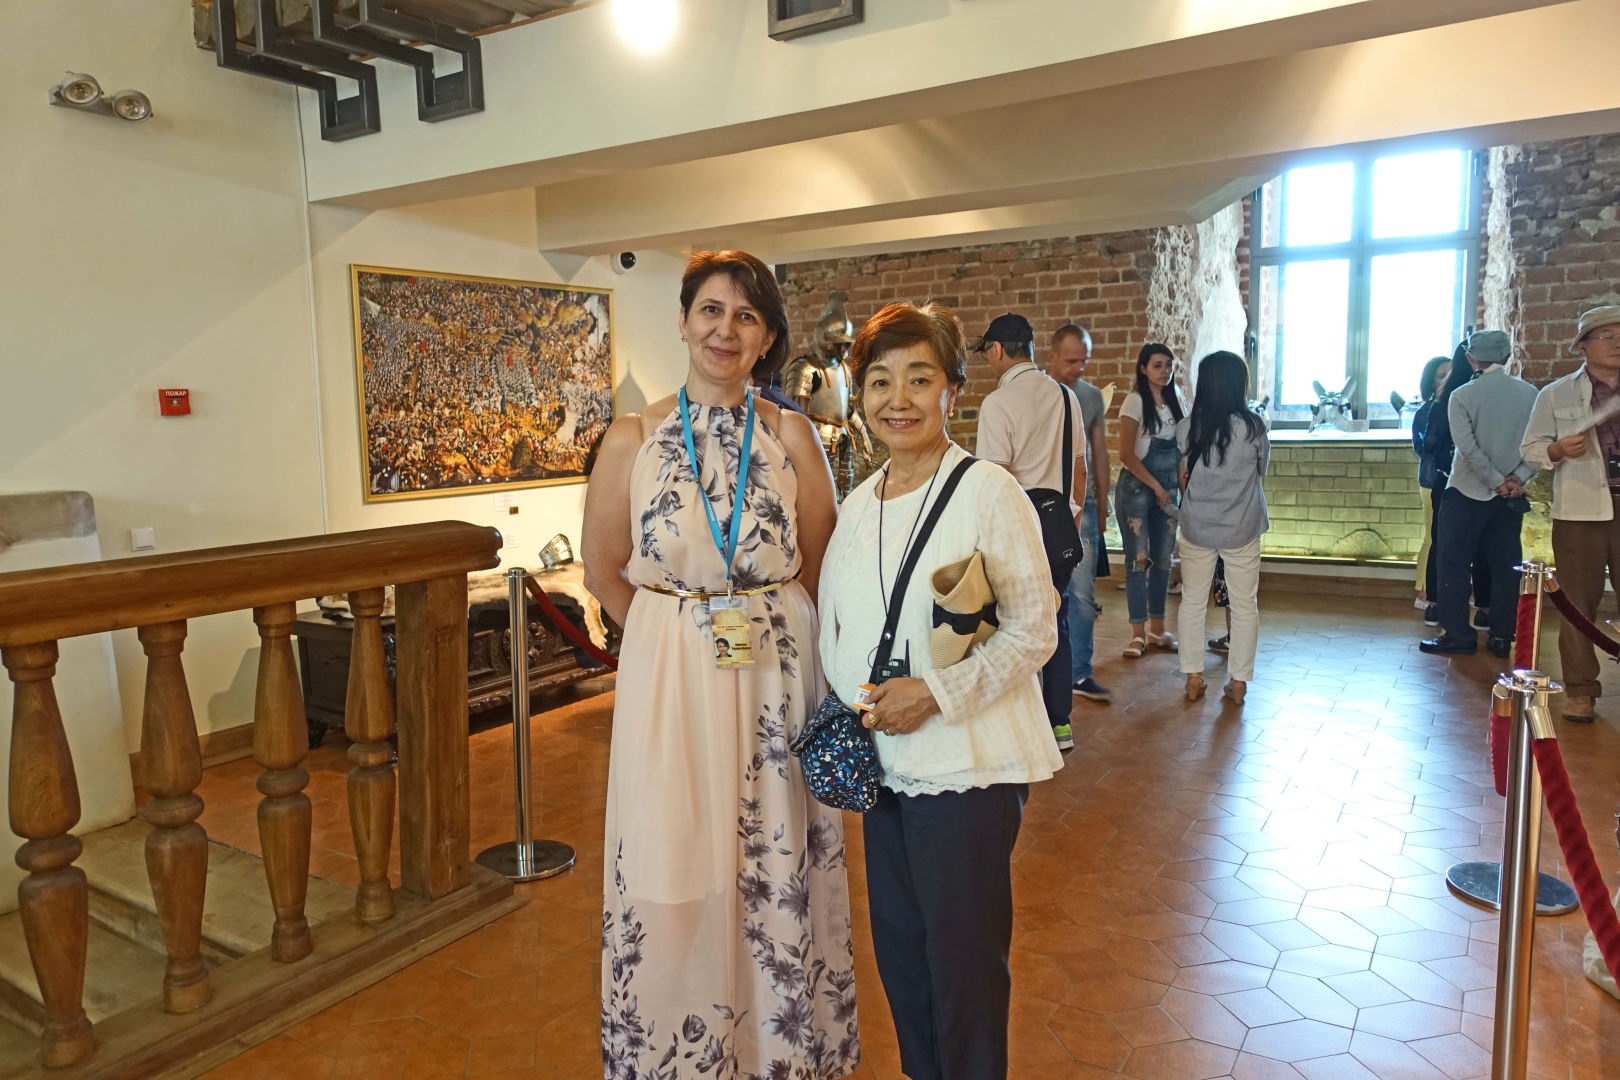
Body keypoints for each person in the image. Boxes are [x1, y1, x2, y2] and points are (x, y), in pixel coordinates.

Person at [581, 250, 859, 1075]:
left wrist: (775, 636)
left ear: (767, 337)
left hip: (775, 683)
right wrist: (671, 640)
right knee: (669, 858)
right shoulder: (632, 438)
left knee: (775, 858)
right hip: (669, 687)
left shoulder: (792, 434)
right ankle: (678, 1054)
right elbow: (602, 567)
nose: (724, 330)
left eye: (746, 316)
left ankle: (779, 1051)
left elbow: (822, 565)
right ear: (682, 320)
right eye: (710, 310)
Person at [819, 301, 1062, 1080]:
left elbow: (1035, 629)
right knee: (906, 963)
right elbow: (837, 628)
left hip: (967, 770)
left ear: (953, 390)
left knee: (964, 973)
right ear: (861, 397)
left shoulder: (988, 490)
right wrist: (858, 699)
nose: (899, 399)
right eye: (880, 381)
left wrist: (933, 693)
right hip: (886, 770)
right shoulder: (857, 506)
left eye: (919, 379)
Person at [973, 312, 1087, 751]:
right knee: (1055, 619)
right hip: (1059, 531)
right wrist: (1073, 521)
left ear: (998, 350)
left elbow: (995, 481)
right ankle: (1059, 724)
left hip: (1016, 531)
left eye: (987, 352)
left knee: (1010, 628)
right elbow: (1079, 469)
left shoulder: (998, 404)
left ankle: (1017, 725)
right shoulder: (1065, 397)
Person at [1520, 304, 1620, 722]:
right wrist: (1557, 450)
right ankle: (1580, 691)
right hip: (1580, 510)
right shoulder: (1556, 393)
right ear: (1583, 346)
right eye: (1607, 335)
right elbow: (1530, 449)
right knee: (1578, 603)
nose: (1617, 342)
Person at [1421, 330, 1538, 658]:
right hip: (1511, 494)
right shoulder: (1530, 394)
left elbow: (1467, 448)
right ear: (1508, 356)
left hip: (1466, 491)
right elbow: (1537, 445)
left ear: (1471, 358)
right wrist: (1516, 479)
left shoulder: (1462, 395)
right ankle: (1501, 634)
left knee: (1453, 563)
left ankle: (1458, 634)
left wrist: (1495, 481)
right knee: (1505, 566)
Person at [1175, 351, 1270, 705]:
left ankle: (1193, 678)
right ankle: (1239, 682)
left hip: (1197, 526)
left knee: (1192, 601)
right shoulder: (1255, 427)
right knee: (1244, 604)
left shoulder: (1188, 427)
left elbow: (1185, 469)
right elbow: (1262, 470)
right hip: (1241, 526)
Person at [1046, 323, 1112, 702]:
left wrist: (1102, 504)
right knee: (1043, 591)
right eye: (1071, 360)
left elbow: (1098, 453)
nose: (1078, 368)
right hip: (1042, 504)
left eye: (1083, 361)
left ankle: (1079, 672)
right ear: (1053, 355)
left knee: (1083, 594)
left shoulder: (1090, 397)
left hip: (1081, 503)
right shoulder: (1037, 395)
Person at [1116, 343, 1187, 658]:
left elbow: (1182, 452)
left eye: (1168, 365)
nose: (1165, 371)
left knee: (1162, 560)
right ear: (1143, 368)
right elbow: (1126, 455)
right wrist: (1156, 487)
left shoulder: (1176, 400)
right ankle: (1137, 634)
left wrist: (1179, 488)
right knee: (1138, 560)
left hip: (1167, 488)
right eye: (1158, 365)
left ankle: (1157, 630)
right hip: (1137, 489)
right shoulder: (1134, 401)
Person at [1423, 344, 1494, 630]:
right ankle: (1485, 608)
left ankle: (1437, 606)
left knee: (1443, 543)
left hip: (1450, 481)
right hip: (1487, 480)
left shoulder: (1449, 398)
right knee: (1483, 546)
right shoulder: (1488, 397)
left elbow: (1430, 444)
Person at [1411, 354, 1453, 624]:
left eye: (1451, 374)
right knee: (1432, 536)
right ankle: (1424, 591)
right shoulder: (1426, 412)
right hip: (1431, 481)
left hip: (1454, 483)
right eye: (1441, 375)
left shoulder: (1458, 404)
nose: (1447, 379)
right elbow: (1421, 448)